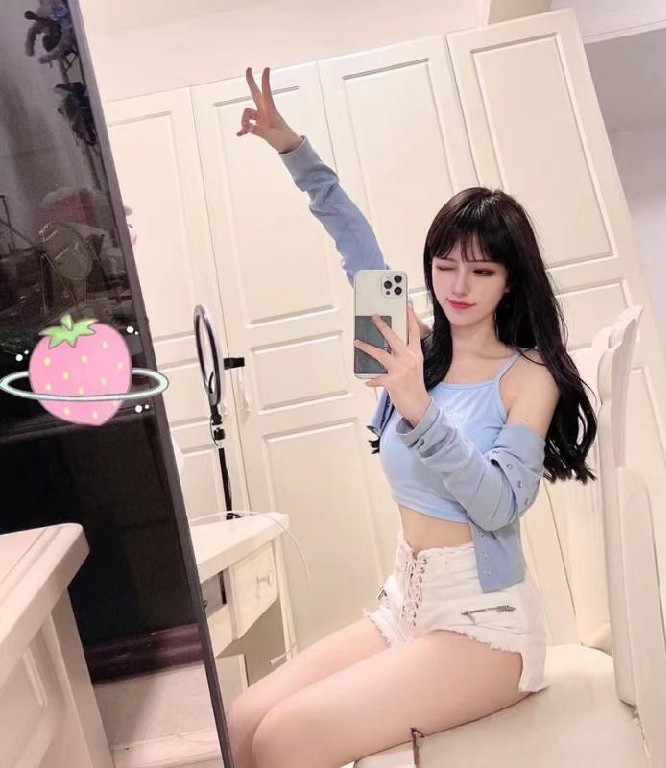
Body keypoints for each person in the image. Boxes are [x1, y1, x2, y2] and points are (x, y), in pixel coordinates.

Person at [228, 66, 597, 768]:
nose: (459, 285)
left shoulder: (530, 376)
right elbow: (355, 243)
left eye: (482, 271)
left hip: (485, 628)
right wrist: (290, 148)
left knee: (282, 739)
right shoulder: (414, 349)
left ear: (510, 281)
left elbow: (499, 505)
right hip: (407, 605)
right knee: (243, 720)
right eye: (445, 265)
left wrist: (421, 411)